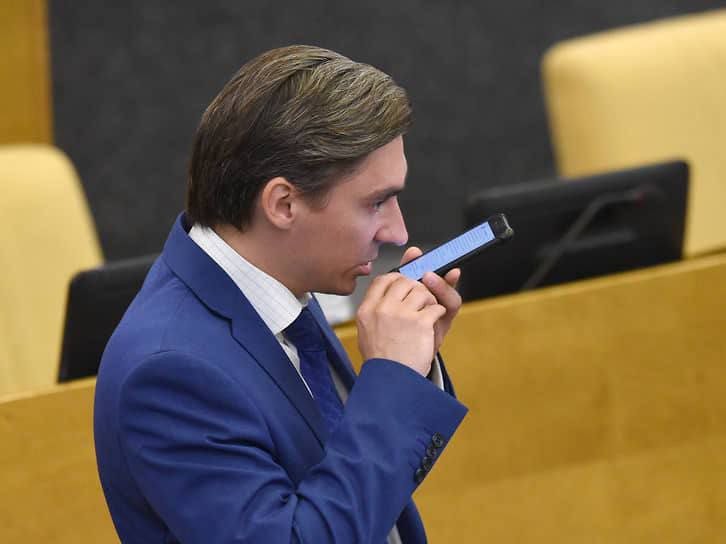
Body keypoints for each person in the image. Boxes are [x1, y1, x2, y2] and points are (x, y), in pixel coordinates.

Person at [94, 44, 467, 544]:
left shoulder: (275, 286)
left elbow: (352, 496)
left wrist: (413, 371)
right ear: (284, 204)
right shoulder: (169, 373)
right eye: (377, 202)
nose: (397, 233)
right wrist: (393, 384)